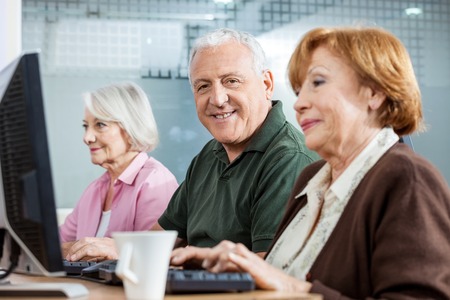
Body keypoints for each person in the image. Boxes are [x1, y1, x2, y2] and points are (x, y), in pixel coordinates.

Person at [169, 26, 450, 299]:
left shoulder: (407, 179)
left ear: (374, 93)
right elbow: (277, 275)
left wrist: (296, 290)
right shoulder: (313, 178)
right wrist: (232, 266)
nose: (299, 103)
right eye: (299, 88)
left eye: (317, 83)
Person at [64, 28, 319, 262]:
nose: (217, 99)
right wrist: (105, 248)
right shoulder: (209, 155)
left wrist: (180, 260)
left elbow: (267, 271)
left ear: (266, 85)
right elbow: (161, 239)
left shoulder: (287, 158)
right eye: (203, 86)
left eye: (231, 81)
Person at [60, 82, 178, 261]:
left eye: (100, 125)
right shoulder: (95, 189)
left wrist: (72, 250)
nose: (87, 138)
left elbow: (155, 257)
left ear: (131, 127)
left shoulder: (154, 181)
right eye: (86, 126)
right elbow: (55, 246)